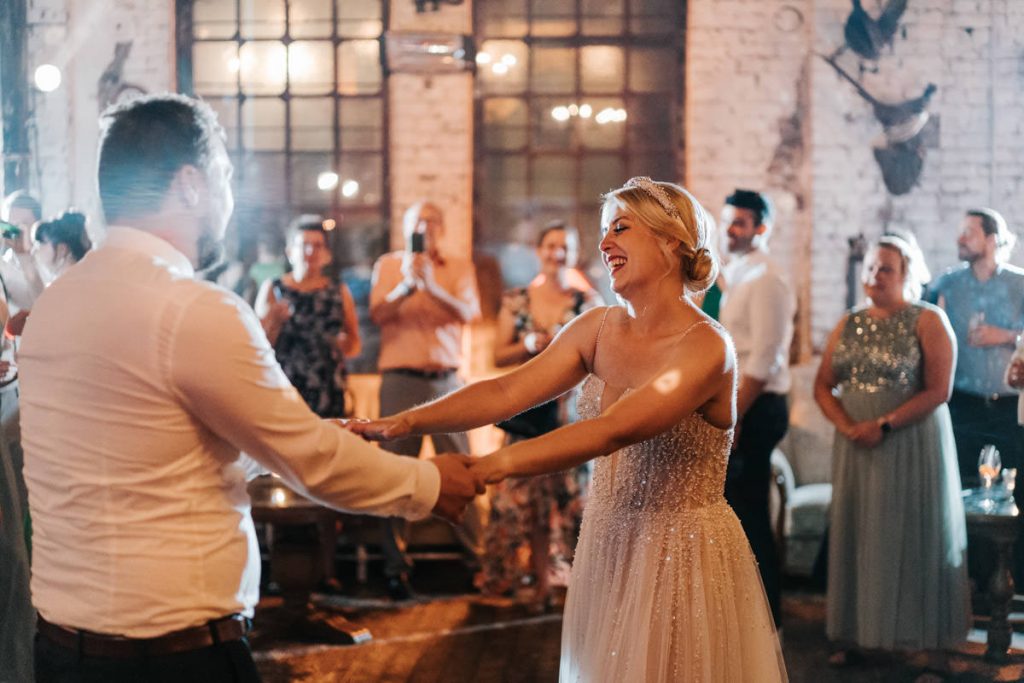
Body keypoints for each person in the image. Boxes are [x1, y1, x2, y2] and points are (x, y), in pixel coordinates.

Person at [18, 93, 480, 683]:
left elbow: (146, 455)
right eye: (226, 177)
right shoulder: (192, 309)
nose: (231, 199)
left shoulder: (57, 303)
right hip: (175, 660)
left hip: (60, 654)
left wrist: (286, 446)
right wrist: (430, 482)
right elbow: (310, 461)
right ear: (191, 185)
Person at [350, 177, 787, 682]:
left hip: (681, 555)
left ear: (671, 240)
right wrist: (403, 421)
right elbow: (504, 392)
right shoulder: (596, 328)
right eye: (603, 231)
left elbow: (615, 430)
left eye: (620, 228)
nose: (603, 244)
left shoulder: (707, 346)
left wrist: (487, 467)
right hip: (606, 542)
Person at [814, 236, 969, 660]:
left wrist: (883, 424)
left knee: (909, 531)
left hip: (910, 440)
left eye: (885, 268)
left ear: (907, 274)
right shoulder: (849, 321)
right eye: (869, 267)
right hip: (856, 446)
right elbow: (823, 386)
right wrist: (848, 426)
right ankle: (863, 636)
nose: (874, 276)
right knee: (860, 532)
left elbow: (940, 390)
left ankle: (922, 645)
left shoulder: (929, 319)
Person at [368, 199, 482, 600]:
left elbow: (470, 313)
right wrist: (407, 284)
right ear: (405, 226)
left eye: (432, 222)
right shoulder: (387, 265)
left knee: (466, 470)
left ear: (442, 228)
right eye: (418, 222)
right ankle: (395, 568)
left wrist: (431, 286)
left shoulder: (458, 267)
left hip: (447, 381)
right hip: (401, 382)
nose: (425, 228)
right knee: (396, 472)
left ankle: (477, 563)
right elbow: (378, 315)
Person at [481, 221, 599, 607]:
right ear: (539, 251)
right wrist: (528, 343)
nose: (556, 253)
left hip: (570, 417)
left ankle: (569, 585)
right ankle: (528, 581)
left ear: (575, 252)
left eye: (564, 247)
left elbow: (602, 358)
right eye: (550, 246)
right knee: (522, 501)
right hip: (528, 415)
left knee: (570, 503)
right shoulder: (517, 300)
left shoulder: (588, 304)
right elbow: (498, 355)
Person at [717, 188, 795, 627]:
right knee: (736, 512)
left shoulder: (769, 278)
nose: (731, 229)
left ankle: (769, 620)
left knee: (750, 514)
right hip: (741, 404)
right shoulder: (739, 272)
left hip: (758, 407)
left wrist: (734, 417)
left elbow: (765, 359)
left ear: (761, 228)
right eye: (728, 220)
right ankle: (740, 615)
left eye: (740, 222)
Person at [925, 208, 1024, 485]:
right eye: (960, 232)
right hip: (962, 403)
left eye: (969, 232)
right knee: (960, 482)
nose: (960, 238)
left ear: (992, 239)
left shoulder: (1020, 285)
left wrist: (1004, 336)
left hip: (1010, 404)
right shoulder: (946, 285)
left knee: (1016, 487)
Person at [256, 215, 360, 419]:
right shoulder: (273, 289)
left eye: (317, 245)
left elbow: (355, 345)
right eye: (304, 245)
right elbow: (257, 346)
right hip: (285, 387)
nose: (310, 252)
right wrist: (275, 321)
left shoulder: (339, 292)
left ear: (327, 254)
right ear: (289, 252)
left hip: (328, 388)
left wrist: (341, 344)